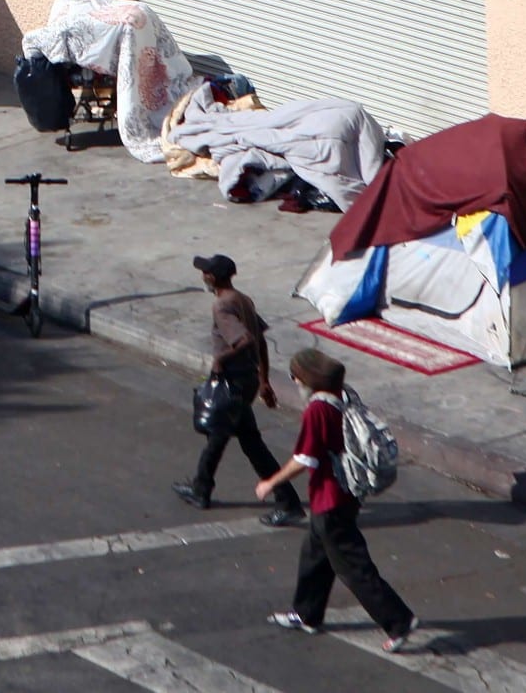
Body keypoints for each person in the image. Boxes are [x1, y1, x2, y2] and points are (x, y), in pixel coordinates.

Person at [260, 349, 420, 652]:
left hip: (330, 499)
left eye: (295, 376)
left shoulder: (316, 411)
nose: (294, 381)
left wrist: (271, 482)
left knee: (353, 567)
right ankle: (306, 613)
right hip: (347, 494)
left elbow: (304, 459)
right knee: (314, 556)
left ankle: (398, 620)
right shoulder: (344, 396)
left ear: (306, 379)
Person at [174, 254, 306, 527]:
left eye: (205, 272)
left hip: (232, 381)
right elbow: (260, 341)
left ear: (212, 278)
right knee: (226, 437)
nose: (203, 276)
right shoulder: (242, 300)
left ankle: (287, 502)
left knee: (242, 442)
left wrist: (221, 360)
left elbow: (245, 340)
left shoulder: (222, 306)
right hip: (245, 381)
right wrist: (264, 380)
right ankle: (201, 487)